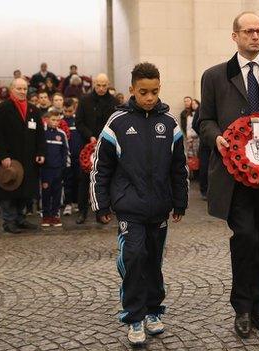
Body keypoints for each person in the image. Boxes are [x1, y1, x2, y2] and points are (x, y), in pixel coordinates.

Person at [198, 11, 259, 339]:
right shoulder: (214, 76)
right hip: (234, 175)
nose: (255, 36)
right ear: (235, 36)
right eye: (249, 31)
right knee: (245, 237)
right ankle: (241, 307)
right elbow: (205, 120)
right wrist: (218, 138)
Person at [91, 62, 188, 346]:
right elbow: (101, 167)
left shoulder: (169, 123)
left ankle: (154, 311)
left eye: (154, 92)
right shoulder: (117, 123)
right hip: (129, 209)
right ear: (132, 89)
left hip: (158, 207)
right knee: (133, 258)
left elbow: (179, 168)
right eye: (143, 91)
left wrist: (180, 202)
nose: (149, 97)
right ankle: (134, 316)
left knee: (153, 261)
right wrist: (101, 204)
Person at [0, 77, 45, 233]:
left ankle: (20, 219)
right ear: (11, 89)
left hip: (28, 158)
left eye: (25, 89)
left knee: (25, 190)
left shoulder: (33, 109)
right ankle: (9, 221)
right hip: (10, 158)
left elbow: (40, 133)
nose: (22, 92)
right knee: (9, 189)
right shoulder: (1, 109)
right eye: (19, 89)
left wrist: (41, 152)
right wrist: (3, 155)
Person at [75, 73, 117, 224]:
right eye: (98, 85)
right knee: (84, 180)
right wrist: (90, 136)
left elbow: (115, 124)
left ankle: (102, 212)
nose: (101, 88)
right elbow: (78, 122)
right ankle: (82, 212)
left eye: (104, 85)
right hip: (88, 147)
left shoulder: (113, 102)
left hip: (106, 146)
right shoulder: (84, 100)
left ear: (108, 84)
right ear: (94, 84)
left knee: (104, 180)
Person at [40, 110, 69, 227]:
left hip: (58, 169)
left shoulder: (61, 134)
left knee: (57, 193)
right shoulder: (42, 133)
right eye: (53, 120)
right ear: (47, 119)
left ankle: (55, 215)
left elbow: (65, 151)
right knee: (46, 192)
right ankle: (46, 216)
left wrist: (63, 166)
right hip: (46, 169)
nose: (55, 122)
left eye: (58, 120)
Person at [62, 99, 83, 215]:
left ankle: (76, 202)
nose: (68, 113)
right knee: (67, 181)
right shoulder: (61, 122)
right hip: (67, 157)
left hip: (79, 156)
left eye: (70, 111)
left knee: (78, 180)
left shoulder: (78, 121)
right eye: (65, 111)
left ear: (74, 109)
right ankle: (68, 203)